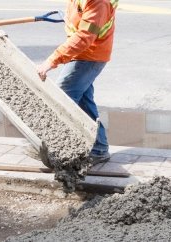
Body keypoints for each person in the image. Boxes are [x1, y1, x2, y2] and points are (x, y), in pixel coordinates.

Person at [37, 0, 118, 164]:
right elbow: (80, 15)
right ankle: (99, 148)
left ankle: (58, 148)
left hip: (89, 56)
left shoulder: (99, 2)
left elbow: (85, 36)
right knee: (83, 103)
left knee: (62, 99)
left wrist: (52, 60)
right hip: (83, 54)